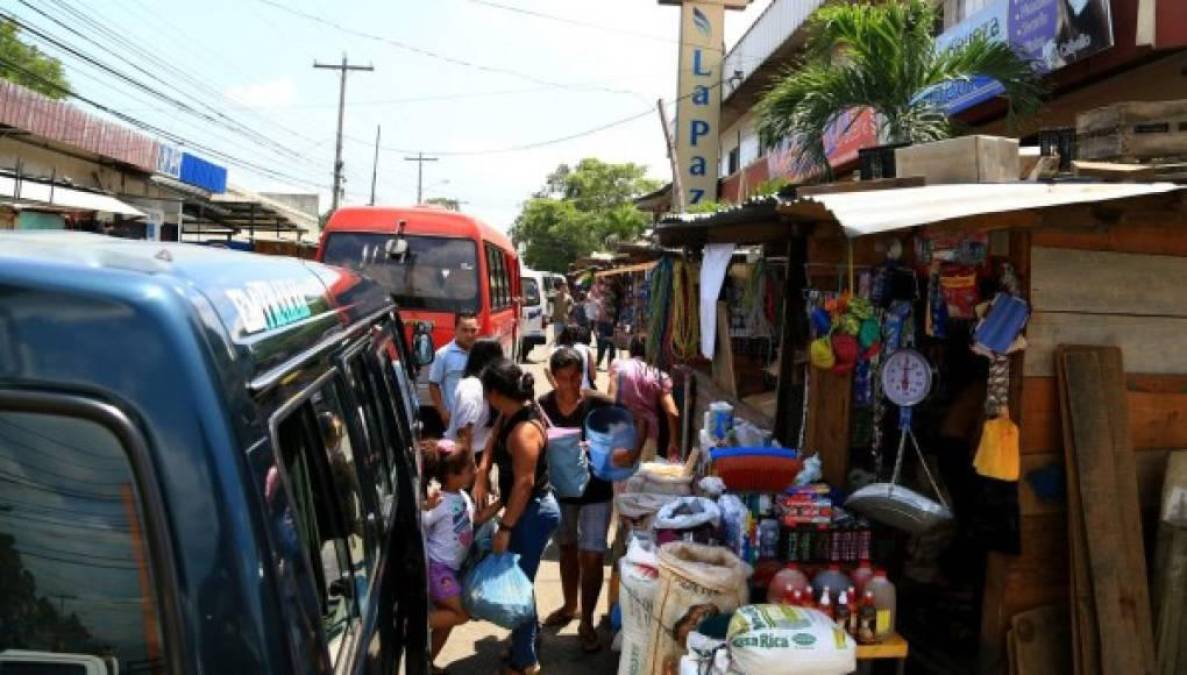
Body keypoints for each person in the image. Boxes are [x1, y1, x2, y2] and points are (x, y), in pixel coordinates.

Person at [538, 348, 645, 652]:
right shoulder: (543, 406)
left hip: (597, 491)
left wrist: (632, 453)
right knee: (568, 550)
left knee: (594, 555)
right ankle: (569, 605)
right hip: (562, 493)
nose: (570, 385)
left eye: (575, 377)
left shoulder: (597, 402)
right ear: (552, 376)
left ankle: (586, 620)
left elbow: (639, 419)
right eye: (563, 378)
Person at [473, 360, 559, 675]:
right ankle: (528, 642)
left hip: (532, 512)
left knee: (518, 587)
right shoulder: (511, 413)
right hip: (525, 509)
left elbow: (523, 485)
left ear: (495, 393)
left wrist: (505, 527)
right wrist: (482, 472)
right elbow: (493, 438)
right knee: (522, 580)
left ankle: (525, 661)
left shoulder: (524, 431)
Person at [422, 439, 500, 673]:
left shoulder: (462, 497)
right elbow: (421, 524)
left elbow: (477, 519)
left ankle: (427, 664)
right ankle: (415, 625)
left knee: (447, 623)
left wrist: (503, 502)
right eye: (469, 469)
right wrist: (426, 506)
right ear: (453, 475)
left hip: (451, 570)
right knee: (461, 614)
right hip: (439, 570)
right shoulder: (441, 501)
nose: (475, 471)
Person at [609, 337, 681, 462]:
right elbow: (673, 412)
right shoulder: (659, 375)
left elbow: (610, 400)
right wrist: (673, 442)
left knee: (620, 478)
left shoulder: (618, 366)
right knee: (642, 479)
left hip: (621, 432)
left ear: (630, 350)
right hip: (649, 436)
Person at [444, 338, 504, 460]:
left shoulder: (488, 386)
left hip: (482, 452)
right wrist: (472, 468)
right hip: (465, 456)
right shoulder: (472, 387)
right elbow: (464, 435)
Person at [429, 312, 481, 430]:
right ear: (456, 330)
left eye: (473, 330)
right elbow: (433, 385)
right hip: (455, 421)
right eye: (464, 330)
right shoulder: (443, 355)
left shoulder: (482, 354)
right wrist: (443, 412)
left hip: (479, 421)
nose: (469, 335)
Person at [545, 326, 596, 392]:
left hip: (564, 392)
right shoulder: (586, 349)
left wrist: (556, 387)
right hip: (585, 390)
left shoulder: (555, 351)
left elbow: (546, 369)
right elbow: (593, 376)